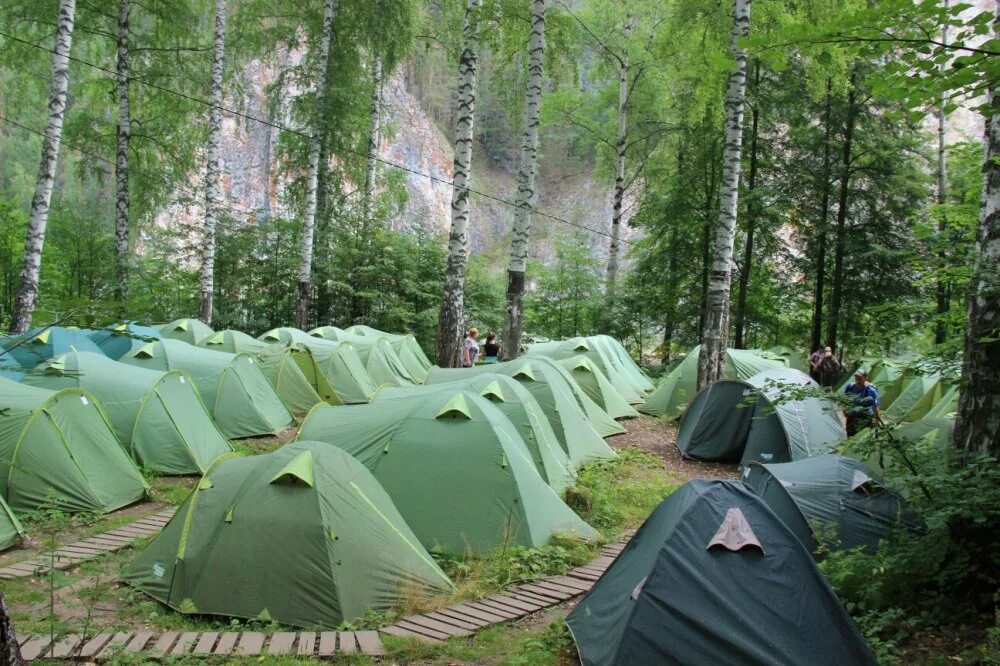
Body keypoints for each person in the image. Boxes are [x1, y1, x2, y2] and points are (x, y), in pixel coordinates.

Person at [844, 370, 880, 436]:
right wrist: (844, 410)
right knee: (850, 437)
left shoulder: (870, 391)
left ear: (865, 378)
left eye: (860, 379)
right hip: (852, 416)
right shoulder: (850, 387)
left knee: (863, 437)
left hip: (865, 418)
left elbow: (875, 406)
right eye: (856, 379)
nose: (857, 381)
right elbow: (845, 399)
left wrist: (877, 419)